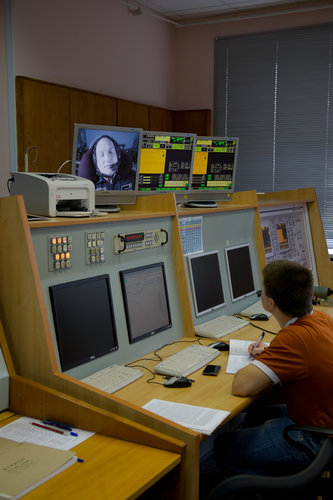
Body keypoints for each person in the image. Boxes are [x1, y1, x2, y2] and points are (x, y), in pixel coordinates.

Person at [213, 259, 333, 479]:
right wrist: (272, 352)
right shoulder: (322, 319)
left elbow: (241, 386)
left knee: (222, 448)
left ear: (270, 303)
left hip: (317, 438)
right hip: (323, 422)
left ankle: (275, 489)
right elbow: (307, 354)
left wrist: (273, 354)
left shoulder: (293, 338)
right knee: (255, 415)